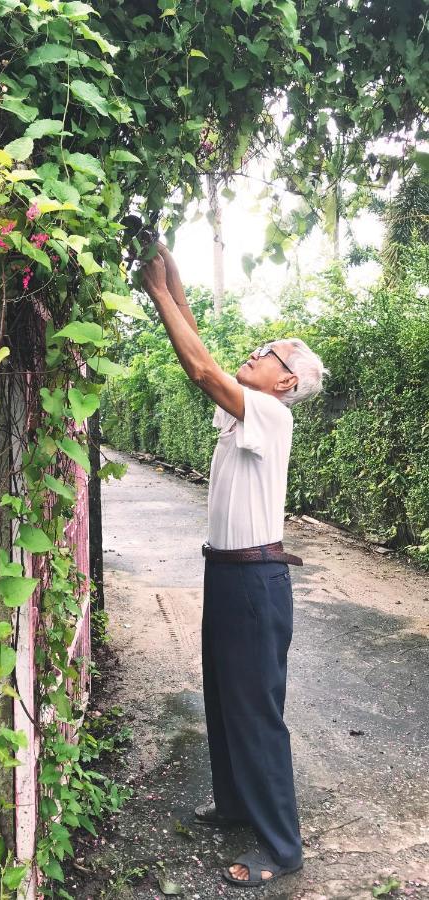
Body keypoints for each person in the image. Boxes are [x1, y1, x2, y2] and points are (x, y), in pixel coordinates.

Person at [140, 243, 328, 888]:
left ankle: (282, 846)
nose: (252, 356)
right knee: (222, 699)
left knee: (255, 713)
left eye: (267, 354)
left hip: (254, 582)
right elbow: (199, 352)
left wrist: (157, 294)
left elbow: (202, 370)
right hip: (227, 574)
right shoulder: (242, 412)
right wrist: (171, 276)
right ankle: (234, 805)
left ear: (287, 382)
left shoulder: (270, 415)